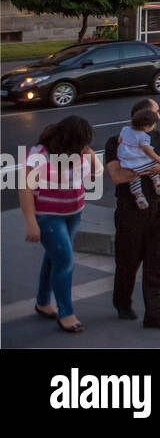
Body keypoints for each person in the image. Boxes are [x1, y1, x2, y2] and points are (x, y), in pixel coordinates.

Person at [19, 116, 101, 333]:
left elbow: (96, 174)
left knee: (54, 258)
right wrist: (31, 222)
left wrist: (91, 157)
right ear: (69, 139)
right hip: (48, 216)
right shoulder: (40, 154)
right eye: (83, 142)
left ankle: (43, 302)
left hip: (74, 213)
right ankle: (66, 313)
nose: (86, 146)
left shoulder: (80, 152)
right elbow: (25, 189)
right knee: (64, 261)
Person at [106, 99, 160, 329]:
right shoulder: (114, 142)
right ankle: (123, 304)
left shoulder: (158, 138)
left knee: (158, 262)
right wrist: (143, 170)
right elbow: (117, 177)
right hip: (131, 211)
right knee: (127, 262)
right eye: (157, 112)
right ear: (146, 116)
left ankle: (155, 316)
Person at [116, 112, 160, 209]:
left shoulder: (125, 129)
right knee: (153, 165)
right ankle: (156, 181)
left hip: (127, 162)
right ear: (146, 127)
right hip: (139, 160)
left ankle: (139, 195)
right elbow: (147, 150)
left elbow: (120, 140)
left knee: (134, 179)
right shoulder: (143, 137)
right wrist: (158, 158)